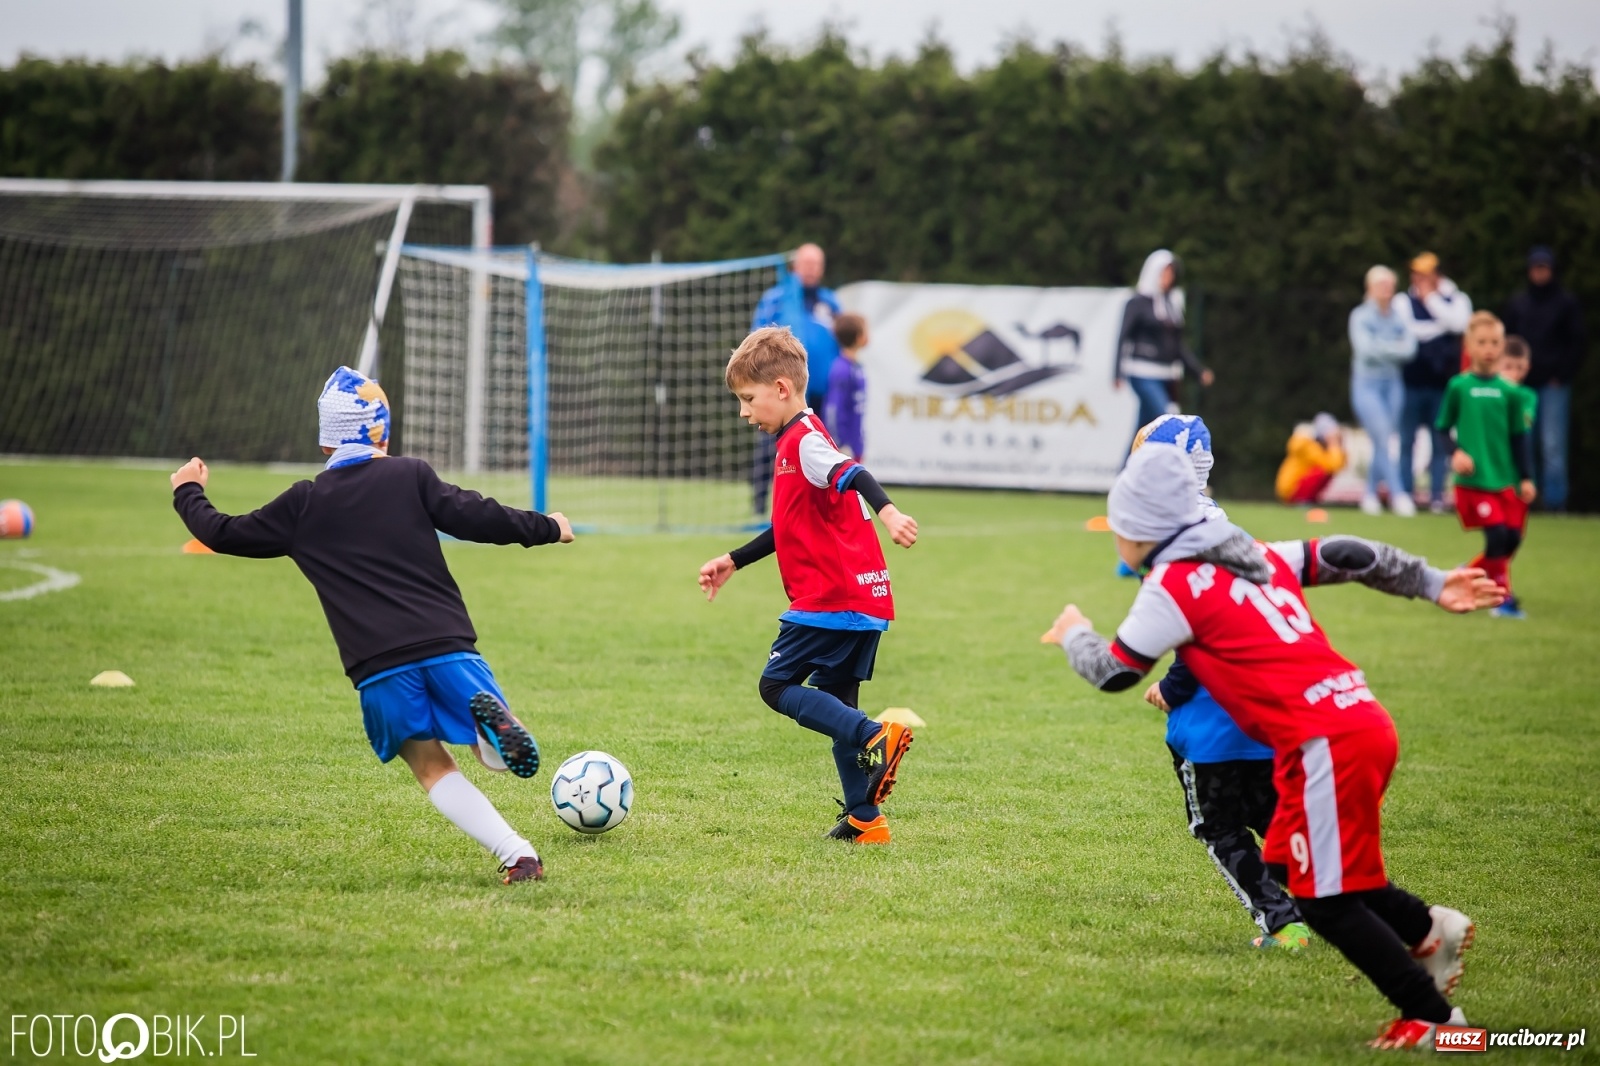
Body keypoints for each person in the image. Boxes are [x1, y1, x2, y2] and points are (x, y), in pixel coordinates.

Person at [1042, 444, 1503, 1049]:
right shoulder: (1253, 553)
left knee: (1323, 904)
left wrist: (1074, 630)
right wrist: (1431, 580)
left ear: (1139, 529)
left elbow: (1115, 671)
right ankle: (1426, 929)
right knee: (1289, 863)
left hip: (1324, 743)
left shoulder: (1172, 585)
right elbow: (1346, 553)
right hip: (1355, 718)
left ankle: (1434, 1021)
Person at [170, 366, 574, 884]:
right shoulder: (411, 476)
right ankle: (485, 731)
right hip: (447, 642)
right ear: (382, 433)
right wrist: (549, 527)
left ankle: (517, 853)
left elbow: (223, 533)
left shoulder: (302, 503)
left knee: (430, 766)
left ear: (325, 443)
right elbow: (479, 516)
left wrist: (188, 491)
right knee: (478, 731)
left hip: (378, 664)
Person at [697, 326, 919, 844]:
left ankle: (875, 736)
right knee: (837, 701)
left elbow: (852, 471)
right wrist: (735, 559)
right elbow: (790, 524)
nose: (745, 412)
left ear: (780, 387)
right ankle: (865, 819)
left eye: (748, 400)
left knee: (775, 686)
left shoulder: (806, 441)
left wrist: (889, 512)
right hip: (863, 600)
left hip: (831, 599)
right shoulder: (797, 441)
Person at [1131, 414, 1309, 952]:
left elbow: (1200, 621)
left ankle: (1283, 922)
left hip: (1211, 712)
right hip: (1259, 697)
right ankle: (1338, 896)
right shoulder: (1218, 521)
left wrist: (1175, 685)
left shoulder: (1176, 534)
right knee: (1265, 811)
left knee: (1220, 827)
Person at [1438, 312, 1537, 619]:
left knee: (1511, 539)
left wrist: (1525, 477)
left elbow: (1519, 439)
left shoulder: (1511, 393)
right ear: (1469, 345)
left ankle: (1466, 573)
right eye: (1482, 342)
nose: (1490, 349)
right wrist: (1455, 453)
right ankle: (1501, 599)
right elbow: (1442, 428)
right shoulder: (1459, 386)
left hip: (1504, 480)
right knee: (1496, 536)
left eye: (1495, 342)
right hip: (1473, 481)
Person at [748, 244, 842, 515]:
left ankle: (816, 505)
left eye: (816, 264)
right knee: (772, 447)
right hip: (783, 389)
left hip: (821, 391)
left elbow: (842, 342)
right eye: (807, 263)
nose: (812, 269)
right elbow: (758, 339)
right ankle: (759, 504)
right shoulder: (776, 299)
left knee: (818, 447)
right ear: (795, 266)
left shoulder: (830, 302)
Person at [1502, 246, 1586, 512]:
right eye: (1535, 268)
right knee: (1522, 440)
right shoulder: (1519, 303)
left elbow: (1576, 342)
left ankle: (1554, 503)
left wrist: (1561, 374)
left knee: (1552, 445)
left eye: (1544, 268)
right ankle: (1525, 499)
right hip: (1521, 384)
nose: (1539, 273)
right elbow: (1509, 342)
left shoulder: (1565, 303)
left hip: (1553, 385)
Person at [1114, 250, 1214, 452]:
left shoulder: (1172, 304)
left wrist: (1197, 371)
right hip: (1141, 372)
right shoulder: (1137, 303)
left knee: (1143, 429)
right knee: (1169, 419)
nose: (1168, 278)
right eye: (1164, 273)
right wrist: (1117, 372)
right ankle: (1181, 475)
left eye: (1171, 273)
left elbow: (1178, 346)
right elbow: (1122, 337)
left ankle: (1125, 475)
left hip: (1166, 375)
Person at [1399, 253, 1473, 514]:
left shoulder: (1457, 298)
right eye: (1416, 274)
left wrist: (1430, 300)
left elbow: (1460, 324)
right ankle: (1404, 495)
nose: (1418, 280)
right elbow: (1408, 330)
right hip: (1411, 383)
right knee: (1407, 441)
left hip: (1444, 385)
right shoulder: (1403, 300)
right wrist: (1441, 328)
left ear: (1436, 275)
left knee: (1440, 442)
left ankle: (1437, 497)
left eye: (1424, 274)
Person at [1349, 265, 1418, 515]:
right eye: (1381, 285)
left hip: (1393, 384)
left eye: (1389, 285)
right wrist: (1393, 347)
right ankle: (1398, 493)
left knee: (1384, 440)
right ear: (1370, 287)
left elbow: (1410, 350)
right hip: (1367, 385)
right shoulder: (1360, 316)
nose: (1386, 290)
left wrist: (1382, 347)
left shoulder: (1399, 317)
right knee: (1381, 435)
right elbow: (1365, 350)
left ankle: (1370, 494)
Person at [1275, 413, 1347, 506]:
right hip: (1290, 491)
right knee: (1323, 471)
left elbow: (1340, 465)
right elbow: (1333, 466)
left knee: (1326, 472)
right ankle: (1303, 500)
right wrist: (1334, 444)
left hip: (1292, 489)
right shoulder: (1310, 446)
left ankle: (1308, 499)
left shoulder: (1320, 448)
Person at [823, 312, 868, 459]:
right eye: (865, 331)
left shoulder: (857, 368)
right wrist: (839, 444)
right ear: (858, 337)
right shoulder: (841, 370)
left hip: (856, 445)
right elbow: (833, 409)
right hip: (844, 448)